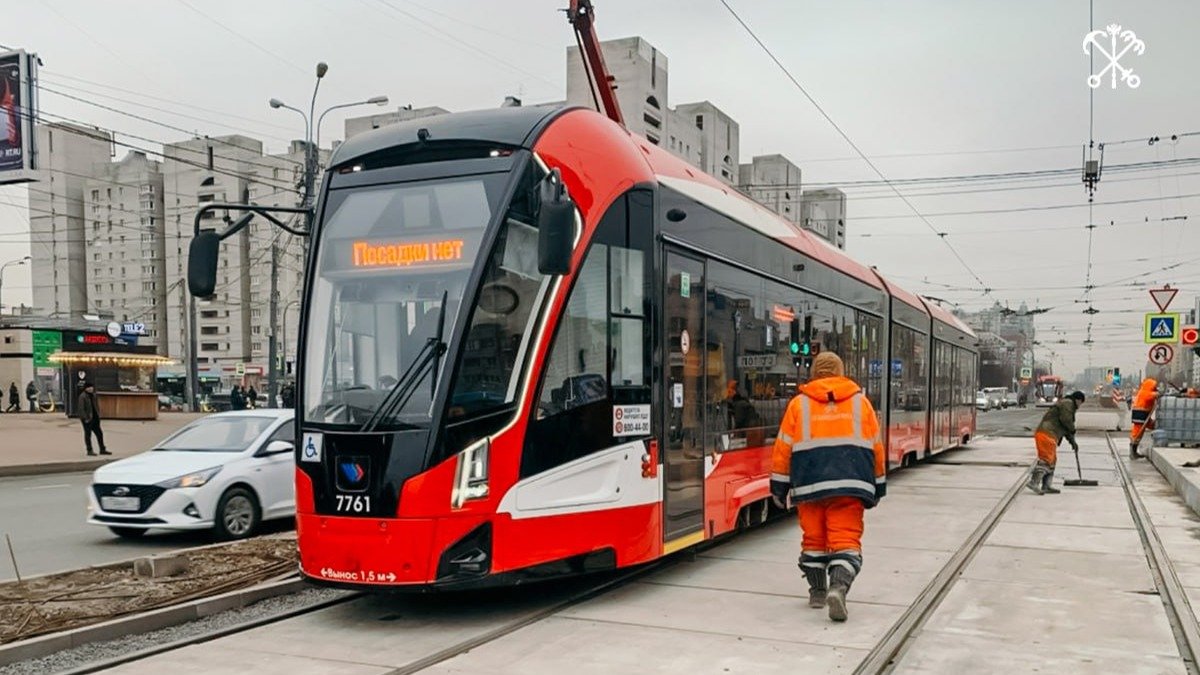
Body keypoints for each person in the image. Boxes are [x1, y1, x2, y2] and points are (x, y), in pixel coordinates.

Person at [770, 351, 886, 623]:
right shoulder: (861, 403)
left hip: (808, 485)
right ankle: (839, 587)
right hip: (850, 484)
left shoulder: (799, 405)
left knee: (813, 540)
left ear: (814, 374)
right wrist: (878, 486)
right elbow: (876, 448)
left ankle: (818, 593)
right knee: (845, 540)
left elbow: (783, 449)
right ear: (841, 371)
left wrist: (779, 486)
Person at [1028, 390, 1085, 495]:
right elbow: (1066, 420)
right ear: (1078, 400)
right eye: (1081, 403)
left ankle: (1046, 485)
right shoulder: (1068, 403)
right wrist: (1073, 429)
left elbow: (1066, 428)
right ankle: (1034, 482)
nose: (1080, 406)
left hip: (1051, 435)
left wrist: (1073, 442)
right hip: (1046, 433)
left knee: (1052, 461)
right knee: (1046, 459)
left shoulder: (1069, 406)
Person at [77, 381, 110, 456]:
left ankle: (102, 449)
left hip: (95, 418)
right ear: (86, 388)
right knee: (88, 435)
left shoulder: (94, 395)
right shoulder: (83, 396)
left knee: (99, 434)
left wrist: (98, 414)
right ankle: (89, 450)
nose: (91, 388)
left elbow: (96, 406)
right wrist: (85, 418)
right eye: (89, 387)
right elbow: (81, 408)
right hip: (87, 419)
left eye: (91, 387)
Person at [1129, 379, 1159, 460]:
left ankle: (1134, 452)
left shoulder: (1144, 391)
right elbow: (1150, 395)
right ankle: (1133, 452)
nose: (1155, 388)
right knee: (1138, 433)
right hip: (1140, 414)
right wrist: (1157, 394)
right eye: (1154, 387)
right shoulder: (1144, 392)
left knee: (1152, 426)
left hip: (1144, 414)